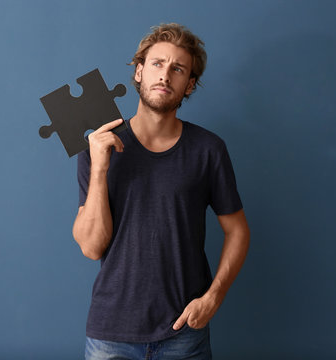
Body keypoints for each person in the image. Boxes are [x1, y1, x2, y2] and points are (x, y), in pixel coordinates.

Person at [73, 23, 250, 360]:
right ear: (139, 72)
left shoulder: (209, 149)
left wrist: (213, 297)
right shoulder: (97, 145)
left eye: (178, 69)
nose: (165, 75)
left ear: (189, 85)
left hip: (184, 336)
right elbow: (92, 247)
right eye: (157, 64)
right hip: (111, 336)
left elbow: (238, 230)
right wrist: (99, 168)